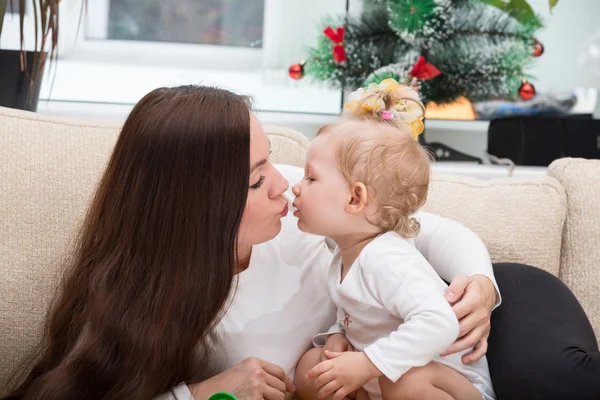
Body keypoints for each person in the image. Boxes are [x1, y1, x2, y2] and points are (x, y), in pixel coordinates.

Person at [3, 85, 596, 400]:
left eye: (276, 165)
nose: (285, 186)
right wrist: (202, 394)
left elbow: (433, 231)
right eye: (260, 177)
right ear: (200, 207)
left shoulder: (303, 209)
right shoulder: (157, 300)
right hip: (402, 354)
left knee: (557, 378)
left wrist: (481, 287)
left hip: (480, 311)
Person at [291, 79, 494, 400]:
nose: (296, 187)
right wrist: (337, 334)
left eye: (311, 177)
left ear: (356, 199)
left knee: (406, 383)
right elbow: (360, 313)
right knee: (311, 368)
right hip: (388, 370)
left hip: (450, 382)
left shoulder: (386, 258)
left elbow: (439, 324)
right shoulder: (344, 251)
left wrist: (368, 363)